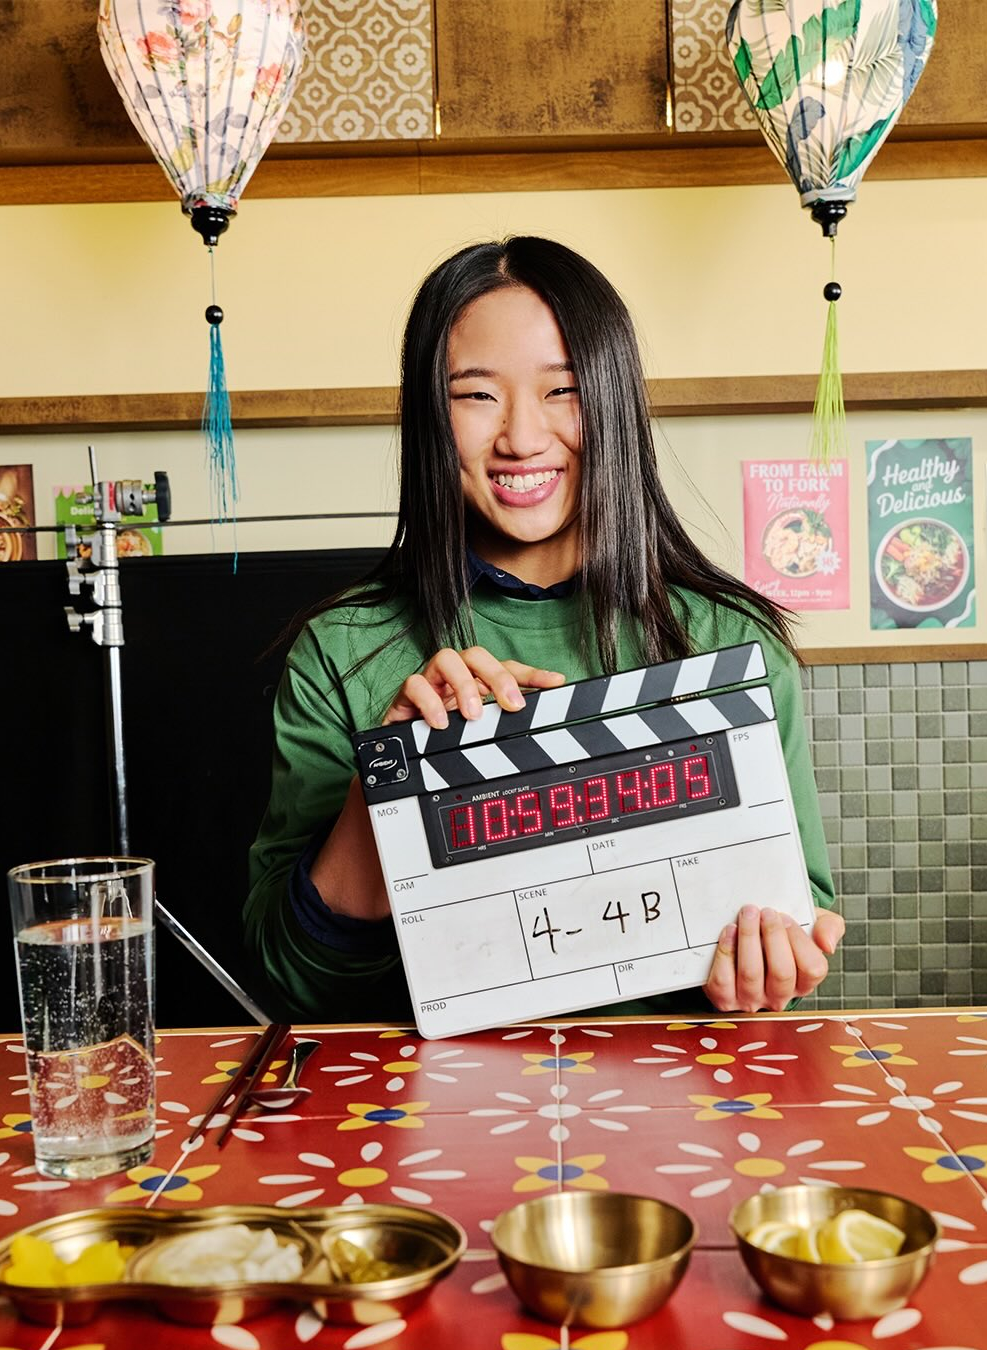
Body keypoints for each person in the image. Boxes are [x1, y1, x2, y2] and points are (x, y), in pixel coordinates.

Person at [244, 236, 844, 1023]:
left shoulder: (733, 643)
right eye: (475, 395)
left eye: (563, 390)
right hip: (423, 1091)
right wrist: (387, 785)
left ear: (614, 402)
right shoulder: (342, 649)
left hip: (681, 1088)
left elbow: (796, 923)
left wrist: (770, 967)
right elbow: (291, 979)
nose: (522, 437)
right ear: (428, 416)